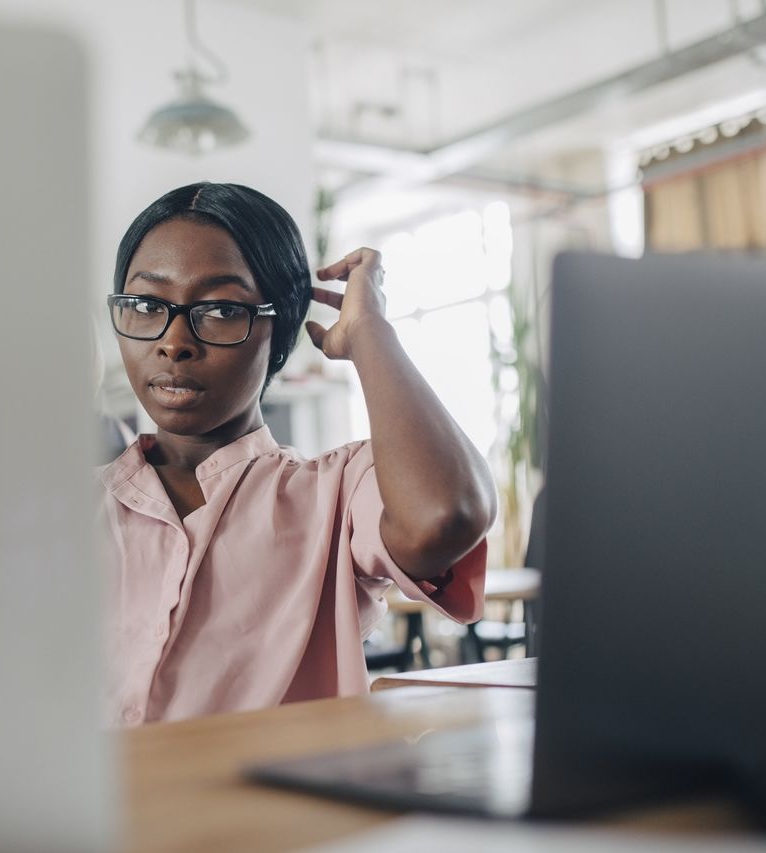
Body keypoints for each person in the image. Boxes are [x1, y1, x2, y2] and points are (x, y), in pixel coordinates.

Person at [98, 182, 497, 727]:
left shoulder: (333, 495)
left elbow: (445, 514)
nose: (174, 341)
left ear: (279, 328)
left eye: (219, 309)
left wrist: (369, 332)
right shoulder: (67, 508)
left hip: (273, 813)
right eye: (146, 304)